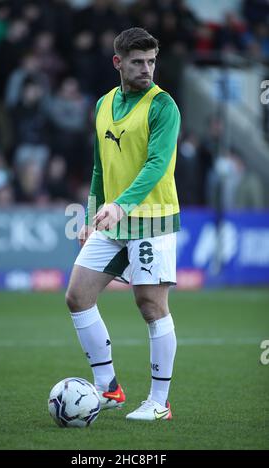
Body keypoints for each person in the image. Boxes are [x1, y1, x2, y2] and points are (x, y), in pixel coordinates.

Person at [66, 27, 181, 421]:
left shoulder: (163, 106)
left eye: (151, 61)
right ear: (118, 63)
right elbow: (100, 167)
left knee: (150, 305)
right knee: (77, 296)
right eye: (137, 62)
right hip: (112, 219)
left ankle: (159, 403)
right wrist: (91, 214)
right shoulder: (102, 105)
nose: (147, 68)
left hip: (152, 218)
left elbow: (157, 165)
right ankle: (108, 388)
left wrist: (120, 205)